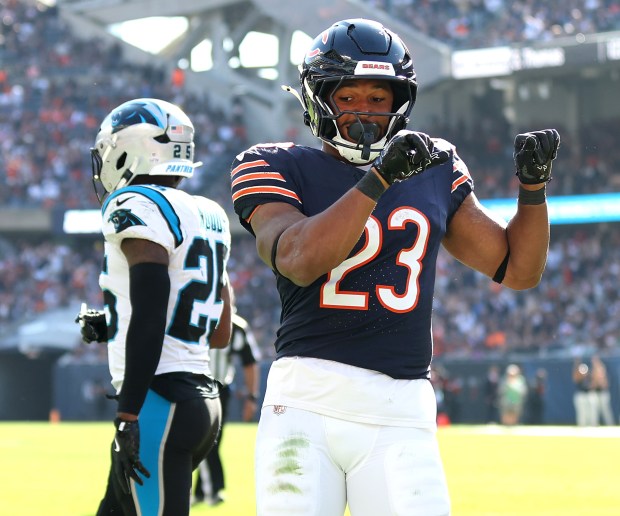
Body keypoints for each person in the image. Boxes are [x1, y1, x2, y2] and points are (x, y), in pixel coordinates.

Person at [230, 18, 560, 516]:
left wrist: (532, 190)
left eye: (378, 99)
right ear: (318, 99)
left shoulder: (434, 164)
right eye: (348, 97)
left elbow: (517, 269)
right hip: (304, 402)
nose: (363, 111)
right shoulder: (275, 164)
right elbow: (299, 259)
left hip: (400, 406)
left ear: (399, 104)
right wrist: (378, 179)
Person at [76, 98, 232, 516]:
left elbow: (151, 310)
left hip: (157, 404)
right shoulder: (209, 214)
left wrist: (128, 414)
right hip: (199, 399)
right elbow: (219, 332)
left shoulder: (134, 204)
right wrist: (113, 323)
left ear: (128, 149)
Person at [193, 310, 262, 506]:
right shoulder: (192, 315)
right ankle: (211, 490)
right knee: (204, 440)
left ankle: (203, 491)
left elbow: (250, 362)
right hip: (192, 387)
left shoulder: (236, 326)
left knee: (212, 441)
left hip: (220, 388)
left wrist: (252, 397)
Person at [590, 354, 615, 426]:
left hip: (603, 392)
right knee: (594, 410)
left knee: (605, 410)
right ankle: (594, 425)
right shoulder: (593, 369)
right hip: (596, 392)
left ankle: (610, 425)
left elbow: (603, 382)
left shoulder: (601, 368)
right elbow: (594, 382)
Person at [573, 358, 594, 426]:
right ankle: (582, 425)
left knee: (590, 412)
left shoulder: (589, 377)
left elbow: (593, 384)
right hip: (581, 395)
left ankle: (591, 425)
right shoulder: (578, 377)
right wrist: (577, 364)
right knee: (581, 412)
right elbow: (575, 377)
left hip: (588, 395)